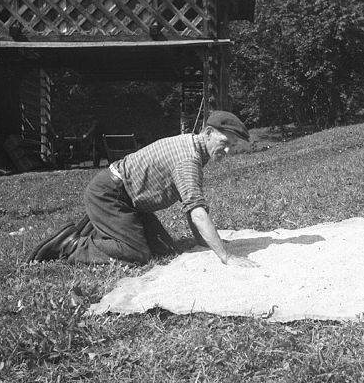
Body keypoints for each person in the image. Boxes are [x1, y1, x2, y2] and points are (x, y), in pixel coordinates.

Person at [26, 111, 257, 268]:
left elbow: (190, 206)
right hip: (110, 195)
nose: (227, 151)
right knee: (136, 253)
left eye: (232, 146)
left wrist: (204, 243)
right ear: (207, 133)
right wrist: (225, 257)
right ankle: (73, 243)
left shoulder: (193, 146)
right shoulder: (189, 160)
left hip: (130, 201)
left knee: (166, 250)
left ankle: (100, 228)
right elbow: (196, 211)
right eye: (224, 143)